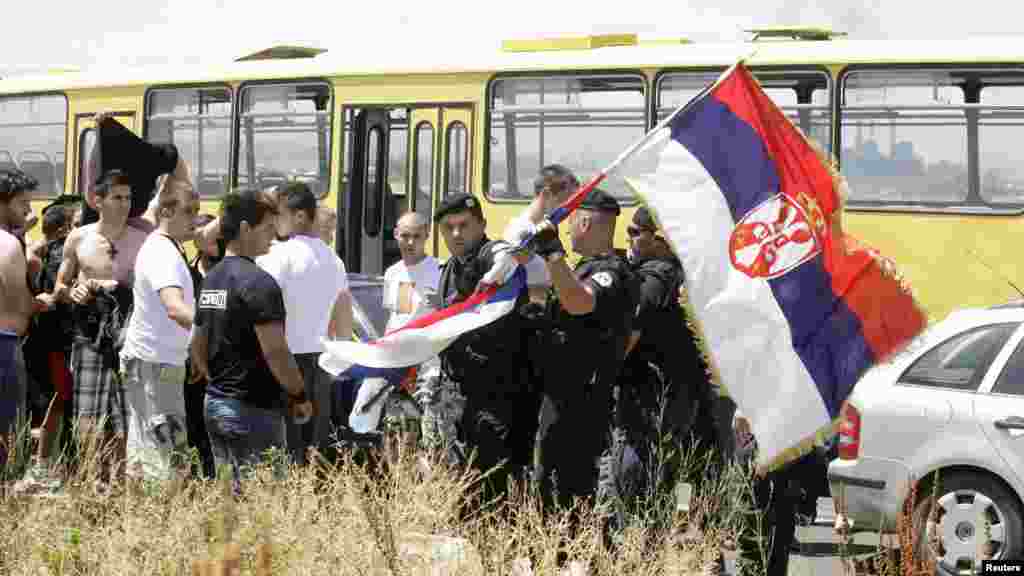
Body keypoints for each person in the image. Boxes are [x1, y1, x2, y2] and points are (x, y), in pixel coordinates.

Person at [526, 188, 636, 554]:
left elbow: (579, 302)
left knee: (570, 496)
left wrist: (554, 255)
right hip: (564, 397)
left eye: (572, 223)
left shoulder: (611, 273)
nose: (569, 231)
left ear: (585, 222)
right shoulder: (586, 269)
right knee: (552, 491)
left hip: (581, 404)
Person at [191, 189, 311, 492]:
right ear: (245, 228)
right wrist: (298, 394)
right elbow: (276, 352)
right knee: (263, 504)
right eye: (268, 227)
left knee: (229, 501)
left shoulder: (211, 279)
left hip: (216, 403)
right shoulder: (259, 283)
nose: (275, 235)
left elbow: (198, 342)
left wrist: (216, 380)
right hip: (253, 410)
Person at [432, 193, 538, 500]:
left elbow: (503, 253)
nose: (456, 234)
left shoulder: (491, 257)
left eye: (464, 225)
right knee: (463, 484)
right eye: (448, 228)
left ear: (481, 224)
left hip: (496, 394)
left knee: (493, 486)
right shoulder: (451, 267)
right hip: (460, 394)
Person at [53, 169, 149, 485]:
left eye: (128, 198)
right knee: (87, 415)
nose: (125, 204)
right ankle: (89, 480)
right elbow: (59, 287)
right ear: (98, 200)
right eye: (117, 197)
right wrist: (72, 292)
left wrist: (121, 287)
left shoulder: (144, 239)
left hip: (129, 338)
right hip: (89, 337)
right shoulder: (79, 237)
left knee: (128, 417)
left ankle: (121, 484)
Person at [617, 207, 707, 517]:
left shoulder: (656, 275)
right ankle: (683, 522)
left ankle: (646, 534)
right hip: (682, 390)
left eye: (634, 232)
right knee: (681, 466)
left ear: (658, 239)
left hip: (653, 394)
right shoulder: (686, 271)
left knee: (639, 470)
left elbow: (633, 327)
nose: (628, 239)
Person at [256, 182, 352, 465]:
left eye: (279, 213)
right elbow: (343, 321)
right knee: (314, 447)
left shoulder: (278, 256)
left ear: (299, 216)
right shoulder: (335, 261)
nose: (274, 220)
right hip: (321, 362)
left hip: (283, 361)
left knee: (283, 447)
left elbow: (263, 310)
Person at [119, 174, 198, 482]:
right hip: (155, 365)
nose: (195, 219)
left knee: (144, 454)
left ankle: (139, 523)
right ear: (166, 212)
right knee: (169, 458)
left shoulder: (164, 244)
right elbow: (175, 308)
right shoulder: (163, 253)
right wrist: (216, 329)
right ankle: (162, 521)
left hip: (153, 363)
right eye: (188, 211)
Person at [14, 198, 77, 493]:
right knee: (55, 403)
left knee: (48, 404)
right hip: (55, 343)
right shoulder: (52, 257)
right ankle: (43, 466)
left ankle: (43, 464)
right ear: (65, 228)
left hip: (40, 341)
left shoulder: (35, 253)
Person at [0, 169, 36, 463]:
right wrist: (42, 301)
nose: (28, 210)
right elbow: (21, 306)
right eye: (22, 202)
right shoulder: (8, 245)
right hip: (4, 345)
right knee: (7, 440)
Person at [183, 212, 218, 478]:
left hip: (219, 358)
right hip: (191, 359)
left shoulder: (225, 271)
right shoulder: (186, 272)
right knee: (192, 419)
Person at [383, 212, 440, 334]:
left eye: (416, 236)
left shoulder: (440, 269)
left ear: (426, 235)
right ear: (396, 235)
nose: (410, 242)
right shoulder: (392, 273)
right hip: (396, 347)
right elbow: (397, 316)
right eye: (405, 236)